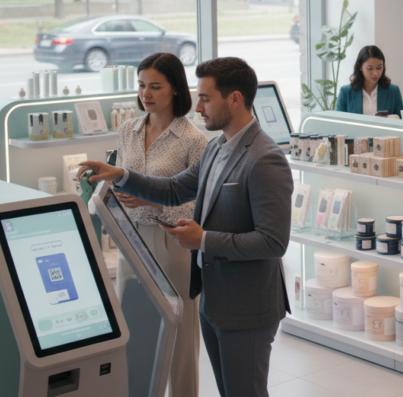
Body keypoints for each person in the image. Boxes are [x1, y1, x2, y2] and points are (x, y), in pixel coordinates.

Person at [79, 57, 293, 397]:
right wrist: (121, 175)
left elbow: (273, 241)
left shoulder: (265, 158)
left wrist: (203, 239)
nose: (198, 107)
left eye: (206, 98)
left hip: (247, 306)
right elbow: (174, 188)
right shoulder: (219, 147)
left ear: (234, 99)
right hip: (215, 300)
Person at [114, 52, 207, 396]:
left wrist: (150, 200)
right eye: (141, 85)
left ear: (175, 90)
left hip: (173, 244)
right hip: (131, 242)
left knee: (180, 336)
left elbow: (198, 205)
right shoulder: (127, 130)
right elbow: (121, 178)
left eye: (155, 86)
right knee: (132, 329)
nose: (145, 93)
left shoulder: (194, 140)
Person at [335, 45, 403, 117]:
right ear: (360, 67)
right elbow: (338, 122)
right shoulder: (346, 92)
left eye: (379, 68)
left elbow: (400, 121)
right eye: (370, 68)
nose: (375, 73)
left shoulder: (393, 91)